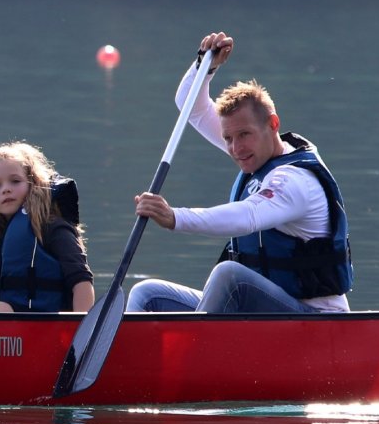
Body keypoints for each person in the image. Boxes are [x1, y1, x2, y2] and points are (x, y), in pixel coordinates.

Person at [125, 31, 352, 314]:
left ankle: (193, 355)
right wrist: (205, 66)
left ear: (273, 124)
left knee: (229, 275)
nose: (235, 148)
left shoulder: (294, 182)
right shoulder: (254, 151)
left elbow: (248, 216)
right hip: (264, 314)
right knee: (146, 293)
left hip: (315, 322)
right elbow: (189, 105)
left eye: (244, 135)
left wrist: (175, 217)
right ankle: (131, 356)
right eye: (228, 138)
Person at [0, 142, 94, 313]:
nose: (6, 189)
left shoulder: (52, 226)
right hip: (8, 331)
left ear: (32, 183)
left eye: (15, 181)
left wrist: (82, 331)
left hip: (50, 329)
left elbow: (82, 282)